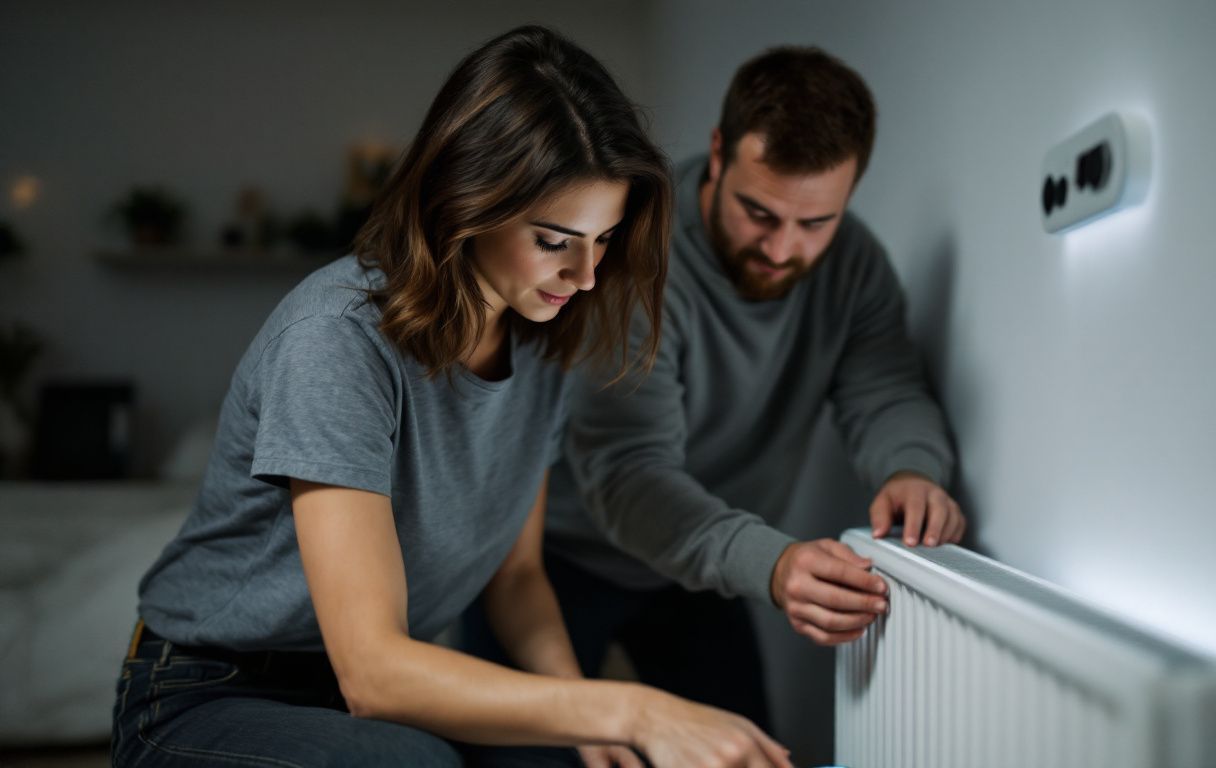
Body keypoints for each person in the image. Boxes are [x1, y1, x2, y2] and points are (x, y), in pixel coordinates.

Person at [114, 26, 793, 768]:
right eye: (555, 239)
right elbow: (373, 673)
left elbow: (518, 576)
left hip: (374, 695)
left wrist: (588, 724)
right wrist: (629, 705)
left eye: (603, 241)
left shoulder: (539, 340)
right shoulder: (336, 341)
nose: (587, 275)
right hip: (213, 693)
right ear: (467, 198)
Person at [468, 45, 967, 731]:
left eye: (815, 223)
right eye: (759, 213)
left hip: (700, 563)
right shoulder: (635, 252)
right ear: (719, 151)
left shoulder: (855, 265)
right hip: (554, 560)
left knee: (746, 748)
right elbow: (629, 474)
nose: (783, 248)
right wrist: (773, 562)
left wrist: (912, 469)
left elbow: (884, 387)